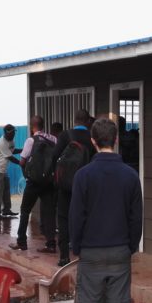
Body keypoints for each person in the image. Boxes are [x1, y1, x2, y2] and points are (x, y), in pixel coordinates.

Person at [70, 118, 143, 303]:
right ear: (116, 139)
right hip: (120, 248)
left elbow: (76, 216)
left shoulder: (83, 175)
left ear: (92, 141)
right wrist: (131, 246)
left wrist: (76, 245)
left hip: (91, 250)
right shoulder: (130, 175)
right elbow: (136, 217)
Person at [53, 110, 95, 267]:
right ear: (87, 121)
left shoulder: (65, 135)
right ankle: (85, 254)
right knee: (85, 217)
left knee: (63, 218)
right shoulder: (91, 138)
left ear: (74, 120)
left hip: (65, 185)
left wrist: (55, 177)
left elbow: (54, 156)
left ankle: (64, 256)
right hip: (84, 185)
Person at [11, 115, 57, 252]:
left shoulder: (31, 140)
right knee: (49, 212)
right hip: (48, 181)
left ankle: (21, 242)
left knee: (25, 210)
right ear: (43, 125)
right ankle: (51, 244)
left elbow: (22, 161)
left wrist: (27, 175)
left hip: (34, 182)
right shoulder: (53, 139)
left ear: (32, 127)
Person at [0, 124, 20, 219]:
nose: (13, 135)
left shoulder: (11, 140)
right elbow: (10, 157)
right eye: (11, 134)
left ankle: (6, 209)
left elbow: (12, 150)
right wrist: (22, 163)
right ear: (6, 133)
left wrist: (24, 150)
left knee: (6, 189)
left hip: (3, 169)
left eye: (14, 133)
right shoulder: (2, 142)